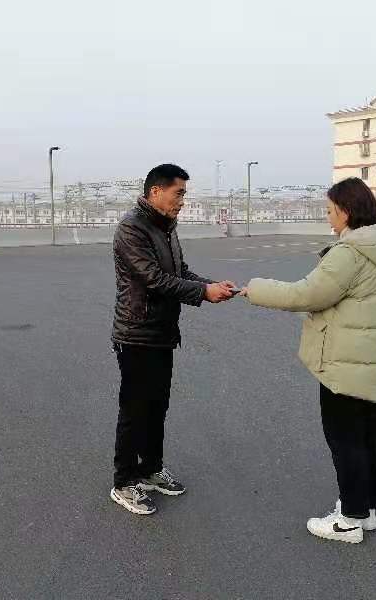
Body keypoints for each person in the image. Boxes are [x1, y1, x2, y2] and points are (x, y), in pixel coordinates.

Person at [240, 177, 376, 543]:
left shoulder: (350, 253)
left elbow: (306, 295)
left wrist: (255, 289)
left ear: (345, 212)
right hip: (369, 359)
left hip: (346, 362)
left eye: (330, 210)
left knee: (345, 439)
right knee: (367, 435)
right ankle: (365, 509)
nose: (328, 217)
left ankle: (348, 521)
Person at [110, 163, 236, 515]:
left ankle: (150, 469)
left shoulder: (165, 227)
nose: (182, 201)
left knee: (156, 407)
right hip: (136, 334)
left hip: (163, 332)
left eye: (183, 194)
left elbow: (179, 272)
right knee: (135, 410)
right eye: (178, 193)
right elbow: (154, 279)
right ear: (155, 191)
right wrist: (203, 293)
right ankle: (123, 482)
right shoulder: (132, 228)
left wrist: (211, 284)